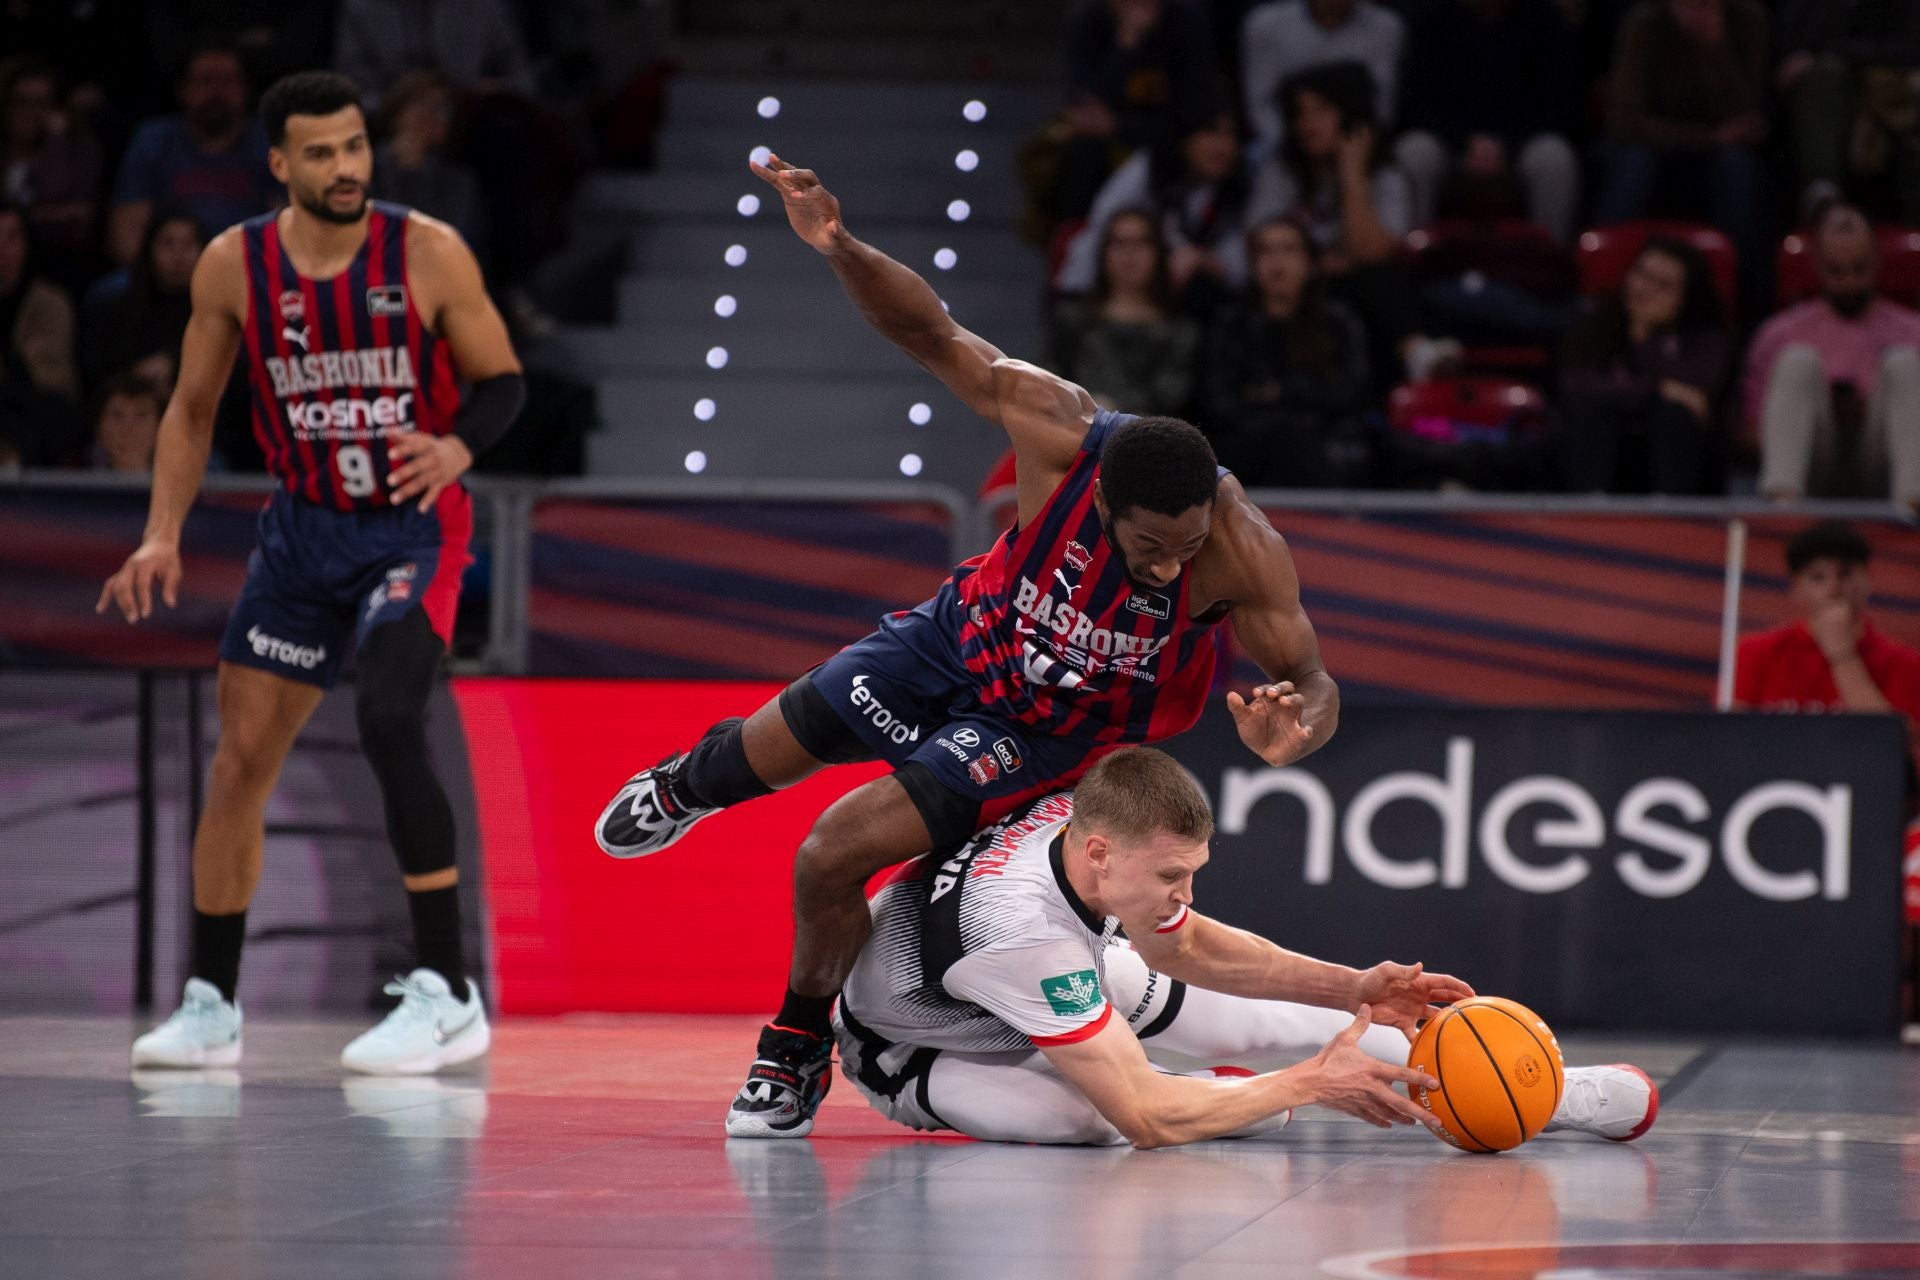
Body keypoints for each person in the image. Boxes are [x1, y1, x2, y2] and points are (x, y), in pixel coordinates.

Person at [597, 152, 1344, 1140]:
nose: (1169, 569)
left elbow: (1310, 676)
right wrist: (838, 245)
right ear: (1104, 497)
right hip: (956, 641)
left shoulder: (1243, 548)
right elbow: (928, 329)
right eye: (1148, 548)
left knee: (829, 852)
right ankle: (692, 782)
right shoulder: (1054, 427)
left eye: (1187, 548)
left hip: (1043, 731)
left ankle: (794, 1038)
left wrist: (1299, 729)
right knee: (762, 752)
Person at [98, 71, 526, 1075]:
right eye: (322, 153)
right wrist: (162, 533)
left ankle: (449, 990)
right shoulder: (230, 266)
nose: (346, 168)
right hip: (301, 538)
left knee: (385, 716)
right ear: (280, 164)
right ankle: (212, 1003)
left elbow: (505, 383)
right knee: (239, 760)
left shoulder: (425, 250)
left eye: (356, 147)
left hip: (413, 532)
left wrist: (459, 447)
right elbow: (192, 410)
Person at [836, 748, 1660, 1148]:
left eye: (1192, 872)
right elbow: (1148, 1120)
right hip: (912, 1044)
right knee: (1089, 1122)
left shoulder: (1088, 825)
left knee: (1255, 1025)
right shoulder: (1018, 932)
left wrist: (1353, 988)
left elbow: (1191, 943)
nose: (1183, 895)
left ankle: (1550, 1089)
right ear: (1100, 855)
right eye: (1171, 875)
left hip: (1034, 970)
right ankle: (1217, 1093)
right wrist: (1306, 1084)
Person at [1594, 0, 1770, 303]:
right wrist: (1711, 138)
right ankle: (1602, 289)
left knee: (1737, 167)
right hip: (1655, 154)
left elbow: (1750, 118)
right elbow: (1625, 122)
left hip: (1716, 161)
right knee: (1635, 163)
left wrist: (1715, 47)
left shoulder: (1748, 21)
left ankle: (1733, 299)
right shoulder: (1645, 22)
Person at [1747, 204, 1920, 508]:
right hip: (1813, 465)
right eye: (1836, 271)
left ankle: (1913, 513)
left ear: (1877, 259)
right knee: (1797, 361)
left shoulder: (1913, 331)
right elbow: (1749, 434)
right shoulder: (1780, 333)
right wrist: (1818, 413)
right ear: (1816, 264)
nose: (1849, 282)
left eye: (1859, 268)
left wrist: (1866, 414)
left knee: (1903, 364)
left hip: (1882, 466)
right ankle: (1783, 515)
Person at [1201, 216, 1374, 487]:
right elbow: (1220, 402)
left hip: (1324, 443)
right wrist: (1305, 395)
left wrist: (1279, 392)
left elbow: (1350, 392)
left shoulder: (1339, 321)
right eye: (1265, 251)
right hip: (1250, 445)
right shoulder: (1232, 324)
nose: (1277, 262)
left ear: (1311, 262)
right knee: (1277, 436)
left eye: (1289, 249)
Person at [1393, 0, 1583, 243]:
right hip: (1448, 141)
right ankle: (1414, 255)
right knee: (1413, 152)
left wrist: (1507, 146)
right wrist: (1464, 143)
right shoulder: (1433, 18)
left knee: (1555, 159)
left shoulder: (1544, 19)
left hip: (1523, 142)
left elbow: (1561, 105)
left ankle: (1550, 262)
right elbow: (1414, 103)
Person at [1559, 236, 1733, 493]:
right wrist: (1656, 390)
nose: (1644, 289)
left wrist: (1646, 338)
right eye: (1641, 274)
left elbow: (1696, 406)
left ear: (1686, 297)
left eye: (1662, 285)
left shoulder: (1707, 341)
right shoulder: (1594, 325)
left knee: (1672, 417)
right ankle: (1591, 507)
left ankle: (1674, 515)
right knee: (1598, 412)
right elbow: (1578, 389)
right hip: (1604, 455)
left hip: (1677, 463)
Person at [1055, 107, 1257, 314]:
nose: (1225, 145)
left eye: (1232, 135)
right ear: (1185, 138)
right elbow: (1102, 227)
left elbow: (1239, 268)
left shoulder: (1238, 189)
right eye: (1211, 132)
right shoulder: (1151, 169)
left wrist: (1199, 259)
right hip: (1113, 289)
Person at [1735, 521, 1920, 744]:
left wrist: (1843, 656)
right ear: (1796, 588)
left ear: (1867, 581)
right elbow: (1729, 739)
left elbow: (1892, 747)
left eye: (1845, 574)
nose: (1833, 587)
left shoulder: (1903, 662)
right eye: (1817, 577)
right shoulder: (1754, 653)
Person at [107, 44, 278, 266]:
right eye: (205, 81)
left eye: (227, 81)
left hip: (249, 273)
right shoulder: (154, 140)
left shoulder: (270, 144)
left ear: (245, 89)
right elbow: (126, 234)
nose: (216, 92)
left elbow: (289, 230)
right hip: (166, 274)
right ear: (181, 89)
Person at [1047, 208, 1203, 416]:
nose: (1129, 253)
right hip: (1073, 432)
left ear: (1159, 252)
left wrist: (1113, 411)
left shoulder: (1181, 330)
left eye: (1141, 243)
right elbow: (1048, 380)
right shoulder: (1072, 318)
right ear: (1103, 252)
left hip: (1147, 438)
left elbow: (1170, 395)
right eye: (1119, 243)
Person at [1240, 0, 1404, 153]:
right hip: (1287, 145)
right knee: (1258, 154)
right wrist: (1299, 144)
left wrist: (1353, 143)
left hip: (1358, 144)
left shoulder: (1387, 27)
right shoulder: (1265, 25)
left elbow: (1381, 106)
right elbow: (1261, 103)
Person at [1, 58, 103, 283]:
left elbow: (78, 220)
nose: (28, 112)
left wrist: (56, 143)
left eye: (40, 103)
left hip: (55, 262)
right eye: (21, 102)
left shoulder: (77, 150)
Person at [85, 205, 204, 391]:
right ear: (150, 249)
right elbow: (98, 371)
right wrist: (135, 377)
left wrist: (175, 364)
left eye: (188, 244)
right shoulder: (117, 306)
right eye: (168, 243)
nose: (178, 256)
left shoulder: (216, 308)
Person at [0, 199, 81, 469]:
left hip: (35, 414)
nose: (3, 249)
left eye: (12, 237)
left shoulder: (50, 302)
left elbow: (51, 378)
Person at [89, 370, 166, 473]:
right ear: (98, 427)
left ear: (161, 426)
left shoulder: (189, 483)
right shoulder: (72, 481)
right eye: (117, 416)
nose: (129, 428)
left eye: (141, 415)